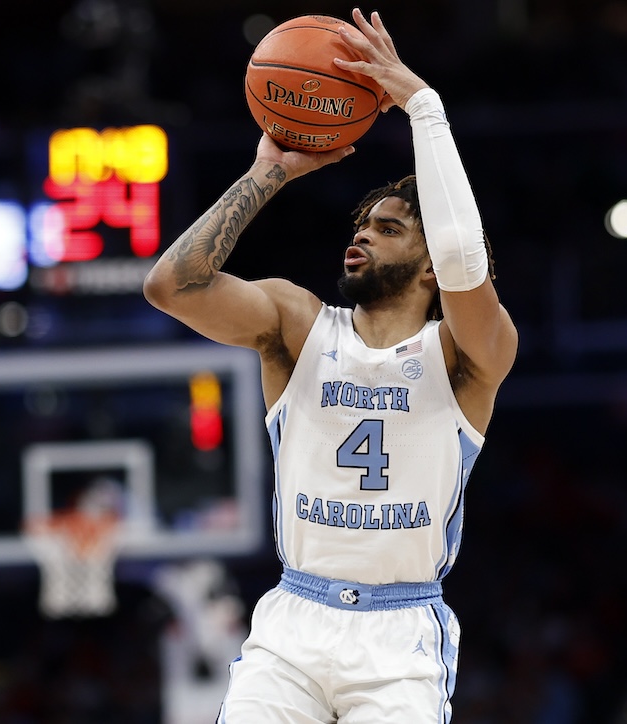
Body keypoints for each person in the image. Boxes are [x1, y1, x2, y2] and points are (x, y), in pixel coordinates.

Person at [143, 8, 518, 722]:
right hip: (293, 624)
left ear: (432, 263)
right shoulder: (294, 322)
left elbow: (468, 265)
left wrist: (423, 108)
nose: (361, 237)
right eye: (359, 226)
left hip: (400, 638)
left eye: (387, 228)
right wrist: (266, 174)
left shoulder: (464, 354)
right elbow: (170, 287)